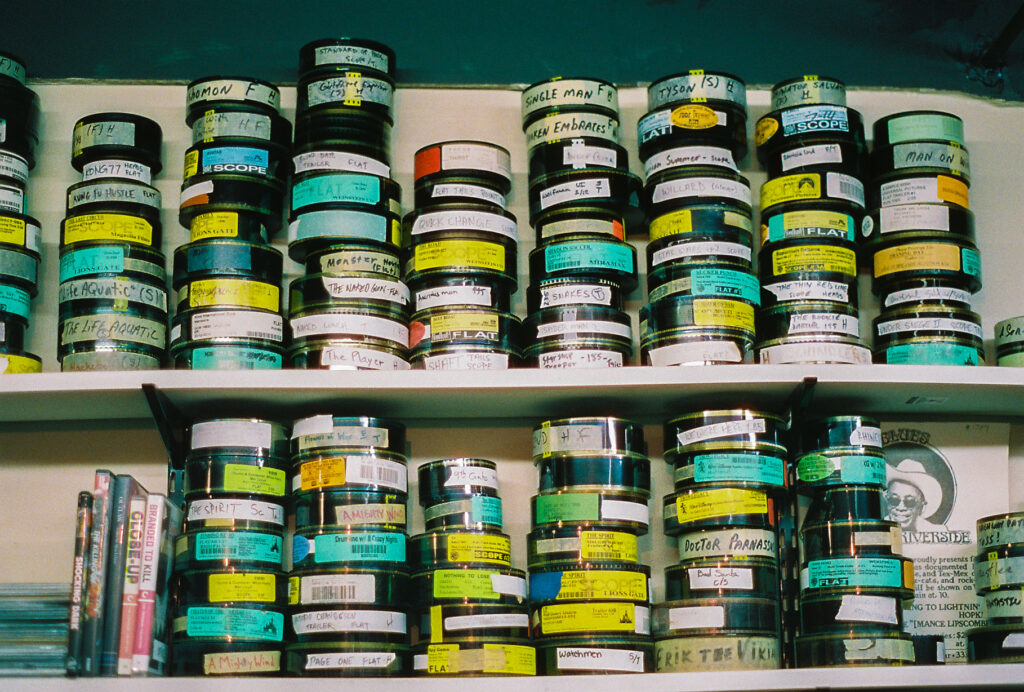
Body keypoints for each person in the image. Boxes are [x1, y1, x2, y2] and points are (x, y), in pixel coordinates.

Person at [885, 458, 948, 531]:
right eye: (894, 500)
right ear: (887, 500)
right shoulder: (878, 529)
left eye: (909, 502)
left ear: (922, 507)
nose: (901, 507)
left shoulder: (936, 532)